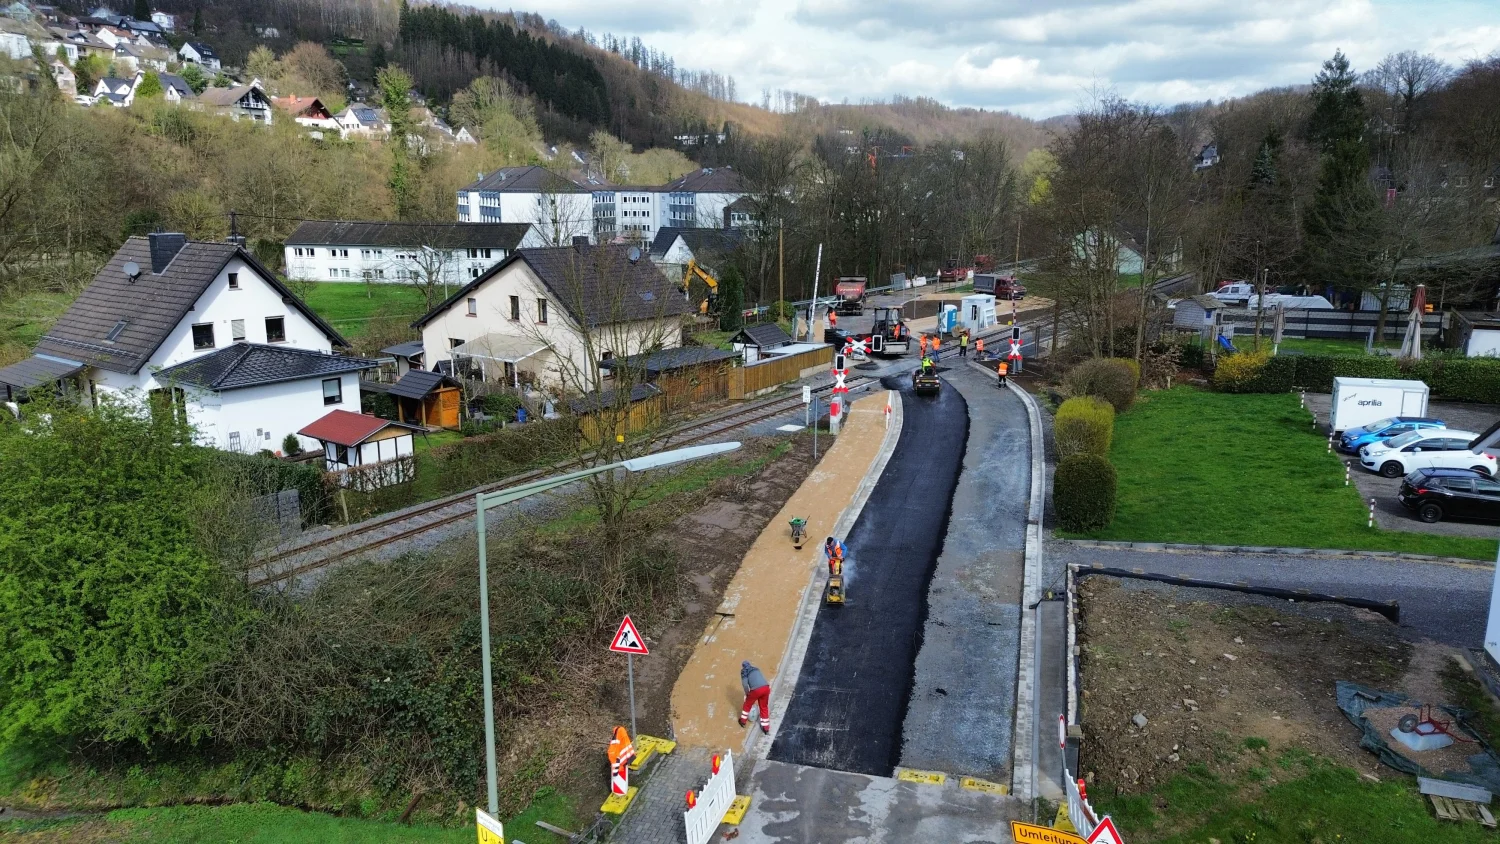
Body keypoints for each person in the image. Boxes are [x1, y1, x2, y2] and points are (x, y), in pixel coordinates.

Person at [739, 660, 772, 735]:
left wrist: (747, 694)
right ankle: (766, 728)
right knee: (764, 707)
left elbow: (745, 684)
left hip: (756, 690)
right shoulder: (756, 669)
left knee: (747, 704)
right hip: (766, 688)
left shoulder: (744, 672)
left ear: (743, 666)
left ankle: (743, 721)